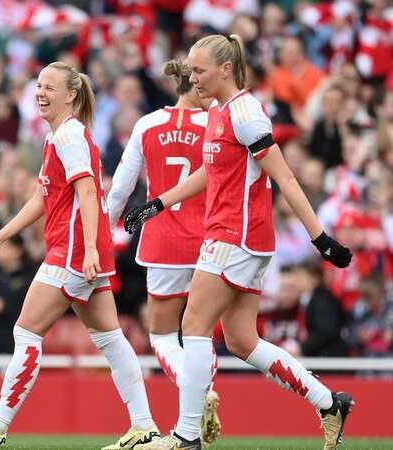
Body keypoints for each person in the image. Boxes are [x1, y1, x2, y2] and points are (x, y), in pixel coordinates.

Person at [124, 35, 354, 450]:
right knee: (241, 340)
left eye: (199, 70)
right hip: (237, 237)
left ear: (225, 69)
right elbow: (211, 172)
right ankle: (329, 403)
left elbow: (284, 177)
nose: (191, 78)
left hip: (237, 237)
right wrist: (158, 202)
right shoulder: (219, 110)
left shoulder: (246, 113)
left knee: (193, 326)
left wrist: (320, 239)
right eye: (190, 70)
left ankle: (186, 436)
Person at [0, 61, 160, 450]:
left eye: (50, 87)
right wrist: (0, 235)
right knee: (112, 340)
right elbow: (42, 198)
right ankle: (144, 426)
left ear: (71, 95)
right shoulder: (59, 137)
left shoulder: (69, 136)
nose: (40, 93)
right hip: (80, 252)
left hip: (73, 252)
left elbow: (86, 193)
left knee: (26, 331)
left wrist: (92, 249)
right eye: (38, 86)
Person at [106, 60, 221, 448]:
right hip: (211, 239)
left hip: (164, 241)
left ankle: (198, 394)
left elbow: (121, 189)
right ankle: (201, 391)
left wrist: (102, 233)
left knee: (161, 334)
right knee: (202, 334)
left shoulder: (146, 124)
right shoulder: (217, 125)